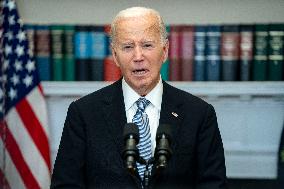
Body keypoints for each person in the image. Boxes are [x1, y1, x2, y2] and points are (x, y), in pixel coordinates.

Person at [50, 7, 228, 189]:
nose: (138, 56)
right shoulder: (83, 113)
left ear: (165, 51)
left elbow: (213, 185)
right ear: (115, 56)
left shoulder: (199, 114)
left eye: (147, 45)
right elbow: (65, 185)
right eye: (127, 47)